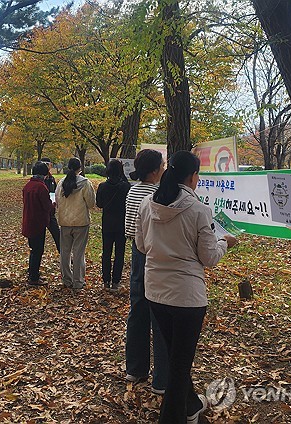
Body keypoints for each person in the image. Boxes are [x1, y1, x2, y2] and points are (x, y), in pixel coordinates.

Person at [135, 151, 237, 423]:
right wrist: (226, 243)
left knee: (176, 357)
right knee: (179, 366)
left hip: (155, 291)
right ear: (193, 176)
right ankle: (174, 417)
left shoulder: (147, 204)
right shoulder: (199, 210)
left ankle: (190, 405)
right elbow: (209, 257)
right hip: (187, 299)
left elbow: (141, 245)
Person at [124, 149, 169, 395]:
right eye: (162, 165)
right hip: (154, 253)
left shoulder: (133, 190)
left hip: (136, 252)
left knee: (137, 307)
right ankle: (162, 378)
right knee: (160, 310)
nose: (164, 169)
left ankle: (135, 367)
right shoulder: (157, 193)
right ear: (154, 170)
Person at [55, 157, 96, 293]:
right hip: (81, 222)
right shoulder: (85, 183)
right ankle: (78, 281)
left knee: (65, 252)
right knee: (79, 253)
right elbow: (91, 203)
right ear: (80, 168)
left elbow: (57, 201)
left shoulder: (61, 183)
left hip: (64, 222)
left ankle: (67, 279)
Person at [96, 159, 131, 291]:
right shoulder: (125, 187)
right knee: (119, 253)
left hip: (107, 222)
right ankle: (116, 281)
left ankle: (106, 280)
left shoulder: (102, 186)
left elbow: (99, 203)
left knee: (106, 252)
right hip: (121, 222)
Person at [22, 161, 53, 286]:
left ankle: (32, 273)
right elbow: (47, 206)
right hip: (38, 222)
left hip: (28, 221)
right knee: (38, 250)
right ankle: (34, 277)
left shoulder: (28, 185)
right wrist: (53, 205)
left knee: (33, 249)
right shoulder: (41, 187)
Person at [41, 157, 61, 253]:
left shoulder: (52, 178)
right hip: (40, 214)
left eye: (47, 164)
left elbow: (56, 192)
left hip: (51, 212)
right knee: (38, 243)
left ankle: (65, 256)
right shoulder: (39, 180)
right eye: (44, 164)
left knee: (58, 235)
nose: (46, 166)